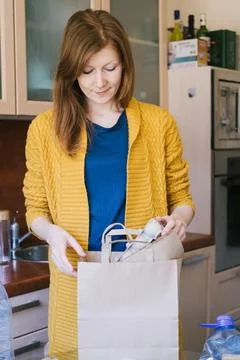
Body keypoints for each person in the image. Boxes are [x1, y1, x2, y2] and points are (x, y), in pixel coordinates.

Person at [23, 8, 194, 360]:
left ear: (125, 65)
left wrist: (179, 218)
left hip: (144, 275)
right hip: (77, 276)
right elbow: (35, 208)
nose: (99, 82)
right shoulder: (44, 129)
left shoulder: (158, 123)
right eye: (86, 71)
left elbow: (182, 197)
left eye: (109, 68)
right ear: (70, 70)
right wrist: (52, 234)